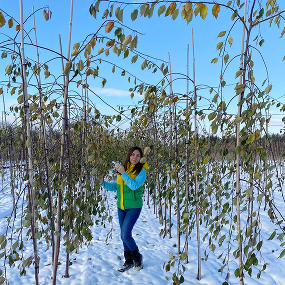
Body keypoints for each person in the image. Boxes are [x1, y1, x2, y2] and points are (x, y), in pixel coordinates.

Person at [101, 146, 148, 272]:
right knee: (123, 236)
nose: (134, 157)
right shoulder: (124, 168)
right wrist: (102, 183)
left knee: (125, 235)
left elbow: (133, 186)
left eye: (138, 155)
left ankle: (137, 258)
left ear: (141, 157)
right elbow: (116, 187)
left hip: (134, 207)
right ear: (129, 155)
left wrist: (123, 173)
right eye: (132, 154)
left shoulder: (142, 171)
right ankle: (128, 260)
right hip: (121, 207)